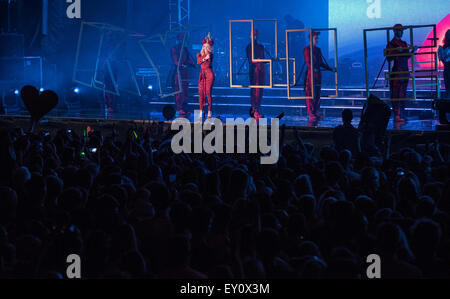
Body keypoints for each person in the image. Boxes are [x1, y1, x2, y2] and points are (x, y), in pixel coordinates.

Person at [385, 24, 417, 122]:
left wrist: (412, 51)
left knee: (403, 94)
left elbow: (406, 56)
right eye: (400, 30)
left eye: (402, 30)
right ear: (395, 31)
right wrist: (396, 52)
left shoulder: (403, 43)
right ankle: (397, 115)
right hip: (396, 72)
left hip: (404, 71)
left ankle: (401, 114)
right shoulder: (391, 44)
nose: (401, 32)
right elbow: (388, 58)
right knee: (396, 94)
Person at [303, 32, 335, 120]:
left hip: (317, 74)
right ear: (311, 39)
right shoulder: (307, 49)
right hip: (311, 74)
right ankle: (311, 112)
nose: (317, 40)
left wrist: (329, 68)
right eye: (315, 38)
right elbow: (308, 62)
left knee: (317, 93)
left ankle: (315, 111)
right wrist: (313, 69)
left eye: (317, 38)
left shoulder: (318, 49)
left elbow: (320, 62)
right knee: (310, 92)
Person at [171, 33, 194, 117]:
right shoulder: (174, 49)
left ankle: (184, 108)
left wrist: (194, 64)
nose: (182, 41)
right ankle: (179, 108)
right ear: (179, 40)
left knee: (185, 91)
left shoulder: (185, 49)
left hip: (185, 72)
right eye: (181, 40)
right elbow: (175, 60)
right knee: (179, 91)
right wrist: (180, 65)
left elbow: (188, 59)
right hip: (179, 72)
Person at [246, 29, 265, 121]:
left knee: (260, 90)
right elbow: (250, 59)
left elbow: (263, 58)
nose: (255, 37)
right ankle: (255, 109)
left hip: (261, 70)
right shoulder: (249, 47)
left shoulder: (261, 47)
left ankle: (257, 109)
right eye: (253, 35)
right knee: (255, 90)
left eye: (256, 35)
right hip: (254, 70)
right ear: (250, 36)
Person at [197, 33, 215, 121]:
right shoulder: (199, 55)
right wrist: (204, 58)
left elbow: (209, 57)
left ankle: (209, 112)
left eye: (207, 47)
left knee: (208, 93)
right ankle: (201, 111)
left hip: (209, 74)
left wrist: (208, 42)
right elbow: (198, 61)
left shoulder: (210, 54)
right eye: (204, 46)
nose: (206, 48)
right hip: (202, 75)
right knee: (201, 93)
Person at [438, 29, 450, 98]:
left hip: (447, 69)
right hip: (447, 69)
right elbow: (444, 60)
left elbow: (443, 59)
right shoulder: (443, 48)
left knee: (448, 89)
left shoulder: (443, 48)